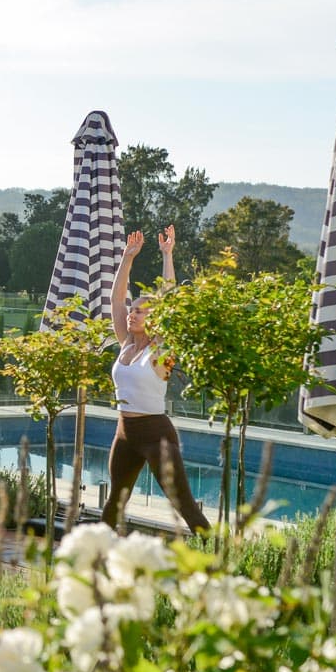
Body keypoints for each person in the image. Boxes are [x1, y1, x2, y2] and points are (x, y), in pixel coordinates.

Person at [102, 225, 210, 533]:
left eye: (140, 312)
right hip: (125, 433)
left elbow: (170, 303)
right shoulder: (125, 343)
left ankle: (220, 560)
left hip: (156, 434)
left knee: (184, 505)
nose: (132, 314)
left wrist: (167, 254)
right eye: (132, 310)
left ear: (155, 318)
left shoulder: (160, 350)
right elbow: (115, 299)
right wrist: (127, 258)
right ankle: (92, 565)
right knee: (115, 503)